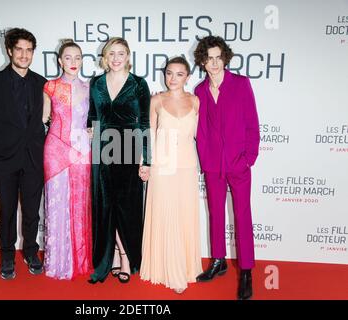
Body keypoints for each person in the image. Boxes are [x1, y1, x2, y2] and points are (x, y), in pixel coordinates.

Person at [193, 36, 260, 300]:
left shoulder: (241, 84)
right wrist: (206, 160)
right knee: (215, 214)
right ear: (202, 61)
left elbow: (252, 124)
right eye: (209, 58)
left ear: (225, 58)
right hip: (213, 165)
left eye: (218, 57)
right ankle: (218, 260)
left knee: (242, 216)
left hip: (238, 163)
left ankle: (246, 271)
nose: (214, 63)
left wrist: (248, 158)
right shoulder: (199, 90)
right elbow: (201, 132)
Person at [0, 28, 46, 280]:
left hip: (33, 160)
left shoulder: (42, 83)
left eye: (29, 50)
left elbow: (47, 122)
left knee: (31, 211)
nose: (24, 55)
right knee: (6, 211)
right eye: (19, 49)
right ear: (9, 50)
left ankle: (30, 252)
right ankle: (7, 257)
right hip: (3, 160)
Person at [87, 37, 151, 284]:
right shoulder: (96, 83)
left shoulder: (138, 84)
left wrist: (148, 160)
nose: (115, 58)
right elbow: (93, 115)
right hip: (102, 150)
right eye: (111, 53)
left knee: (126, 208)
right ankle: (110, 255)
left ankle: (125, 256)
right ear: (105, 56)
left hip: (128, 150)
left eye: (121, 53)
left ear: (128, 56)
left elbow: (145, 123)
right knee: (105, 206)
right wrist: (91, 128)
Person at [140, 57, 202, 294]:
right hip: (162, 166)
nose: (172, 78)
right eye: (169, 73)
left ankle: (185, 268)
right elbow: (148, 135)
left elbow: (200, 135)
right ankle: (169, 270)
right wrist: (144, 164)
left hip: (186, 166)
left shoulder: (196, 101)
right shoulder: (156, 99)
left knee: (184, 215)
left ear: (188, 76)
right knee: (166, 214)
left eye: (178, 74)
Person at [42, 39, 92, 280]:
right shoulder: (49, 87)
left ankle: (79, 260)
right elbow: (41, 120)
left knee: (80, 205)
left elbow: (95, 119)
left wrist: (92, 130)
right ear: (60, 61)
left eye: (78, 58)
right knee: (57, 203)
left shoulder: (90, 88)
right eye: (68, 58)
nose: (73, 62)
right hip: (55, 151)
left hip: (82, 151)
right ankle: (58, 262)